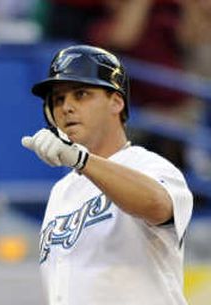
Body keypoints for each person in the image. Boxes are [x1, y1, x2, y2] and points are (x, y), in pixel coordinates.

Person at [21, 45, 193, 304]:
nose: (66, 107)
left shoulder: (149, 165)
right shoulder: (62, 191)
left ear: (116, 101)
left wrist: (82, 160)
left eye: (81, 94)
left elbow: (158, 205)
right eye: (58, 99)